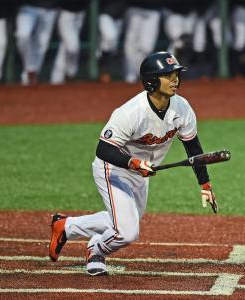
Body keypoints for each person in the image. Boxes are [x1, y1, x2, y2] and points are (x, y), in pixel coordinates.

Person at [48, 51, 217, 276]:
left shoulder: (182, 108)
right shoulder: (130, 113)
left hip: (140, 172)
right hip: (114, 168)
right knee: (127, 232)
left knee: (124, 220)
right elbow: (104, 149)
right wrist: (132, 162)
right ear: (151, 81)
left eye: (176, 73)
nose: (175, 79)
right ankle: (96, 248)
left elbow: (193, 148)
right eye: (168, 75)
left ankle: (65, 226)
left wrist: (204, 184)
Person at [16, 0, 58, 85]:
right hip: (27, 6)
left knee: (42, 43)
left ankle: (30, 76)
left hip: (50, 8)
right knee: (23, 35)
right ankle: (30, 68)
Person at [50, 0, 87, 84]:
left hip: (80, 13)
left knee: (64, 47)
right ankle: (70, 73)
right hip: (65, 13)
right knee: (72, 46)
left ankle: (56, 79)